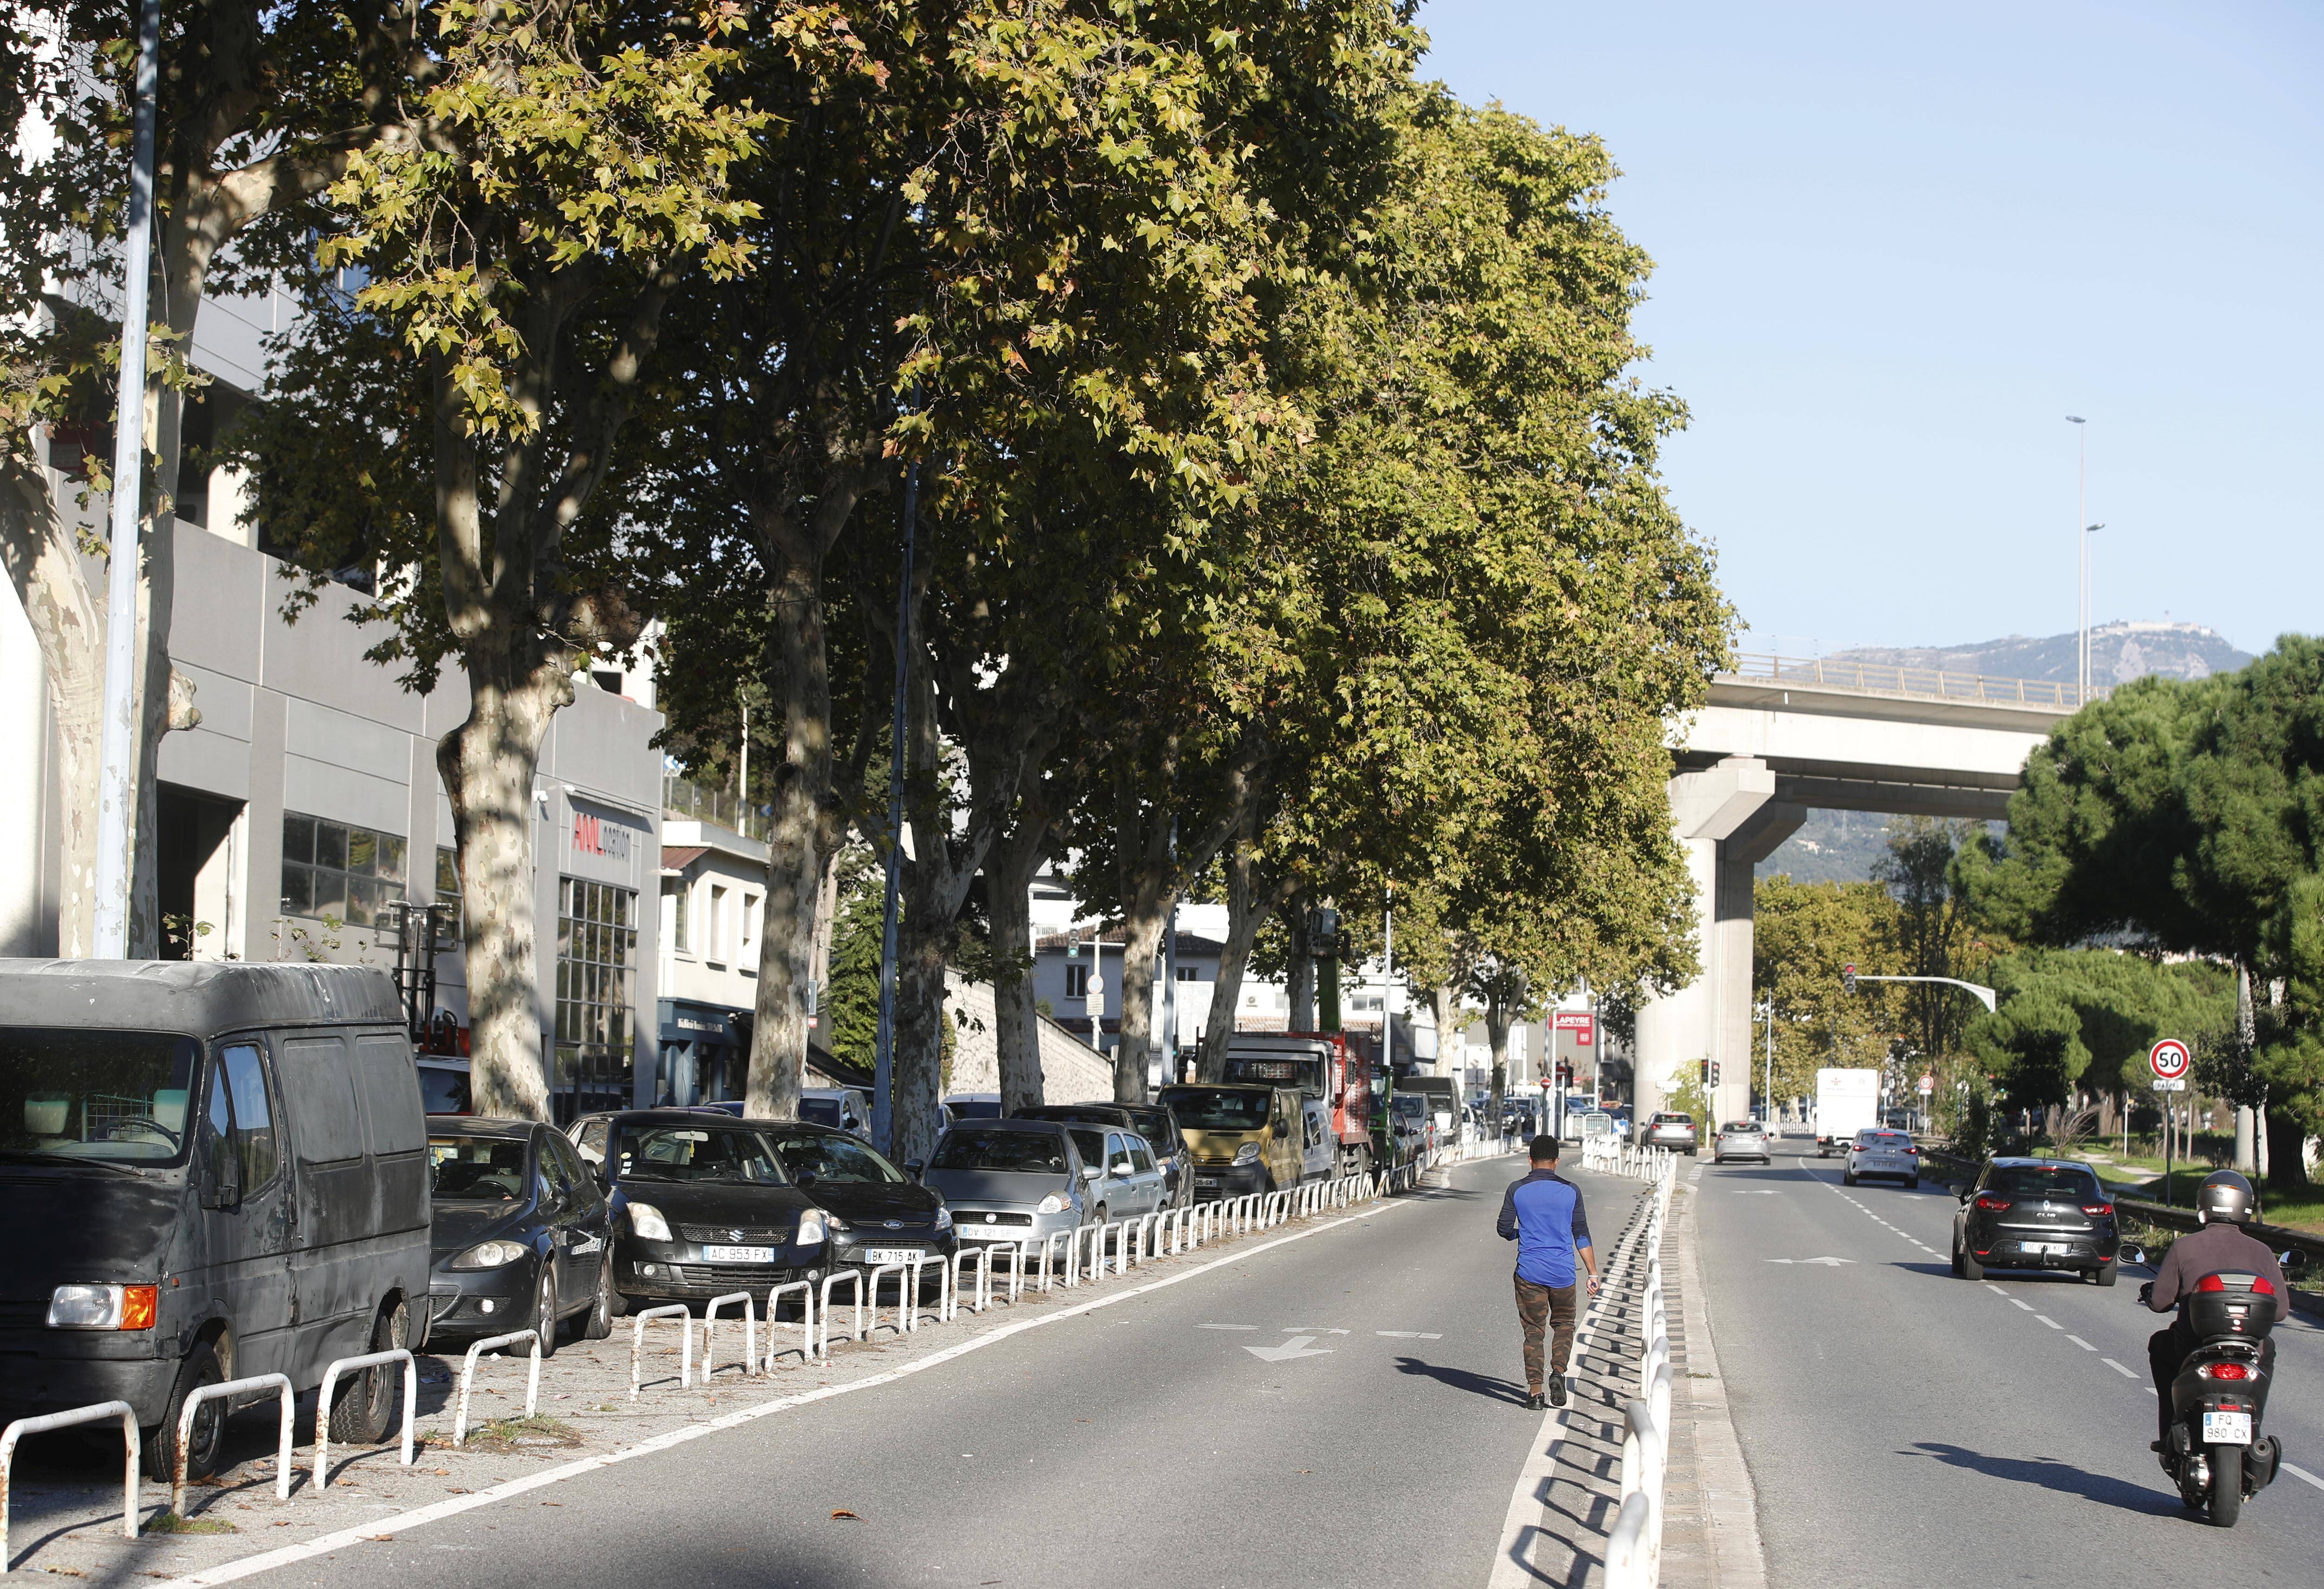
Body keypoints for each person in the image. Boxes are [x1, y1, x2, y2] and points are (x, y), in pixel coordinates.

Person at [2143, 1169, 2287, 1458]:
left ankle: (2171, 1428)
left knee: (2160, 1344)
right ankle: (2253, 1420)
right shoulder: (2262, 1252)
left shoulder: (2184, 1247)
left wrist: (2151, 1293)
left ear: (2203, 1204)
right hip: (2249, 1351)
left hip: (2193, 1348)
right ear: (2244, 1206)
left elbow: (2160, 1303)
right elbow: (2281, 1311)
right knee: (2267, 1349)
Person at [1496, 1133, 1599, 1410]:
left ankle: (1535, 1393)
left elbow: (1503, 1229)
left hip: (1530, 1273)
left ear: (1530, 1160)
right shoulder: (1571, 1191)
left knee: (1533, 1332)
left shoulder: (1517, 1189)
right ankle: (1559, 1372)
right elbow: (1581, 1233)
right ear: (1557, 1161)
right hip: (1564, 1273)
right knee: (1564, 1325)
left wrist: (1521, 1233)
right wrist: (1592, 1273)